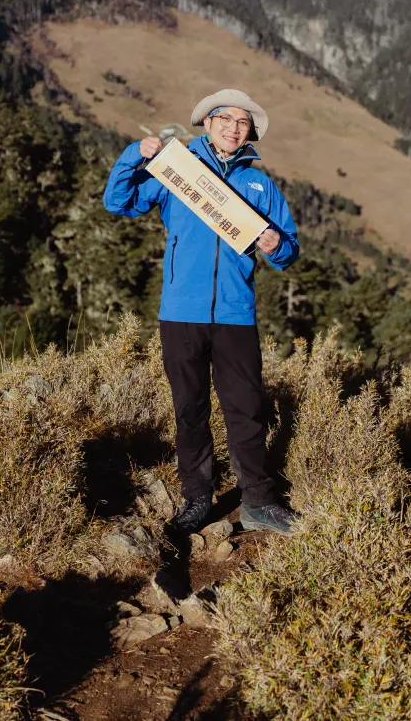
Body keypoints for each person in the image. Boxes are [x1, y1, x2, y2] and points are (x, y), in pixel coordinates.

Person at [103, 89, 300, 536]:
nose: (233, 127)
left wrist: (276, 245)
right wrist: (135, 154)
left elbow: (289, 251)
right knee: (189, 409)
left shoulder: (259, 185)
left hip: (235, 315)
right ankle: (197, 499)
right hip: (181, 313)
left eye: (242, 122)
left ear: (249, 133)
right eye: (225, 118)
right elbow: (119, 202)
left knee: (246, 409)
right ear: (207, 122)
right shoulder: (178, 173)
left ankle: (259, 502)